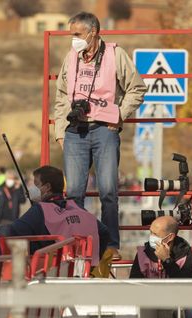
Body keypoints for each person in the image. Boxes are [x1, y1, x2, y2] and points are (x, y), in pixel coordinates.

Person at [54, 12, 147, 260]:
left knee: (108, 191)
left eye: (77, 34)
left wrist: (119, 116)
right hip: (74, 131)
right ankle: (77, 244)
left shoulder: (115, 54)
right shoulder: (71, 57)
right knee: (73, 193)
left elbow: (137, 88)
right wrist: (60, 133)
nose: (73, 40)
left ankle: (110, 245)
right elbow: (62, 96)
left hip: (104, 129)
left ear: (92, 32)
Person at [0, 165, 109, 266]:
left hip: (50, 273)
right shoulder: (78, 208)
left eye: (35, 184)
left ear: (47, 187)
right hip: (81, 271)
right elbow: (104, 232)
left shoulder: (40, 210)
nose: (30, 188)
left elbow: (12, 231)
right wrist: (91, 263)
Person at [129, 216, 192, 318]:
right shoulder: (143, 253)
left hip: (175, 299)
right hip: (149, 300)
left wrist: (167, 260)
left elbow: (185, 285)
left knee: (190, 308)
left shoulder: (185, 254)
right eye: (150, 232)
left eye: (155, 234)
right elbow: (133, 283)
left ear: (169, 237)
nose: (151, 237)